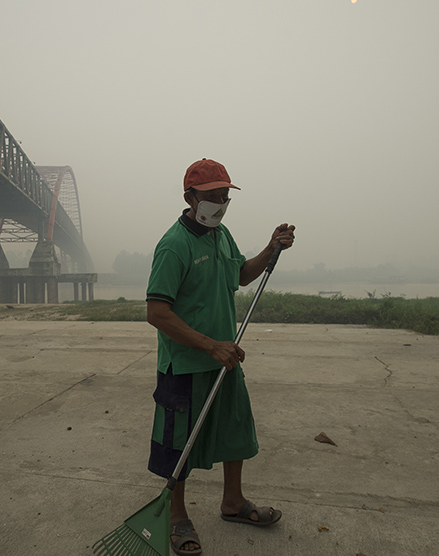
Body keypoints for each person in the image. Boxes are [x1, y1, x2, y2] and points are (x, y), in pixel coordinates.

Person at [145, 158, 295, 555]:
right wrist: (210, 344)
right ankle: (177, 517)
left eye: (225, 196)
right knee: (177, 446)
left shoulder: (221, 234)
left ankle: (233, 502)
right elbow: (156, 312)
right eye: (212, 196)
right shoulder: (174, 245)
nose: (220, 202)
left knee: (235, 432)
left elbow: (241, 275)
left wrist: (270, 247)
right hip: (186, 364)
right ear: (190, 197)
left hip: (225, 359)